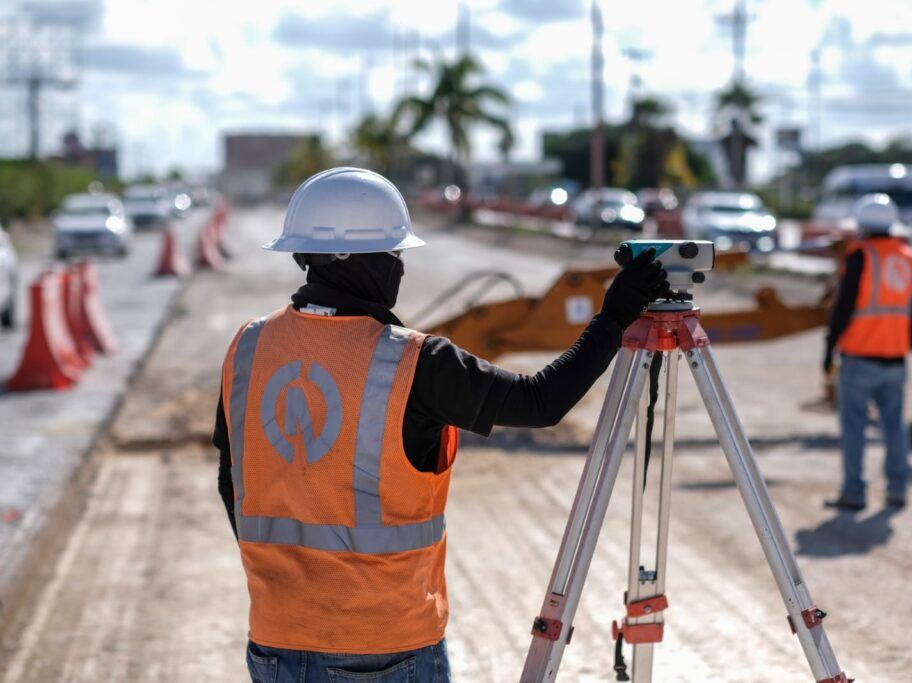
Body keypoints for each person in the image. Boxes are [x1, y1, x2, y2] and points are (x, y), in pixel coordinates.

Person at [212, 167, 670, 683]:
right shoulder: (411, 361)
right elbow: (540, 402)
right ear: (359, 262)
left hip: (275, 642)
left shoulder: (248, 348)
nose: (400, 270)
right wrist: (612, 318)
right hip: (384, 647)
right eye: (394, 255)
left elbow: (233, 482)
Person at [822, 193, 912, 513]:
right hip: (895, 356)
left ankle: (854, 492)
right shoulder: (911, 258)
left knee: (855, 427)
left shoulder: (860, 256)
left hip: (860, 355)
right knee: (895, 425)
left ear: (862, 226)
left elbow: (843, 308)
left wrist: (829, 350)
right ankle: (897, 490)